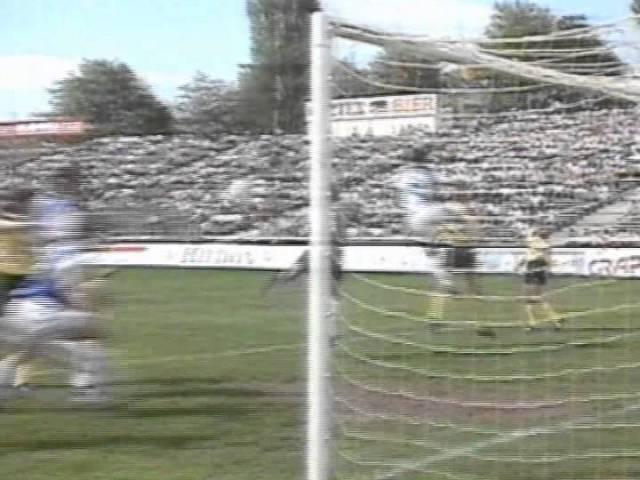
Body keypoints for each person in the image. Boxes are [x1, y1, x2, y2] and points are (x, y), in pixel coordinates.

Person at [516, 228, 561, 329]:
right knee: (536, 297)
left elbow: (540, 255)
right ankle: (553, 320)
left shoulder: (536, 242)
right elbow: (528, 256)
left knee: (532, 298)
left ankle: (538, 322)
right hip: (538, 269)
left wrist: (550, 263)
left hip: (534, 269)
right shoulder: (544, 245)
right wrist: (552, 264)